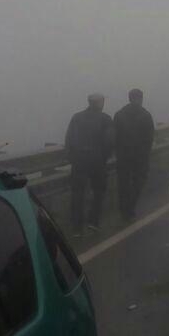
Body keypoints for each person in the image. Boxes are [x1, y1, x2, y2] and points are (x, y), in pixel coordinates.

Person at [65, 93, 113, 236]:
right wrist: (104, 157)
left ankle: (76, 227)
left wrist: (73, 158)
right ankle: (93, 221)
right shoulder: (105, 119)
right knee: (98, 191)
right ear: (99, 103)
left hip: (79, 160)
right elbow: (110, 141)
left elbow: (69, 139)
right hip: (97, 161)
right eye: (102, 101)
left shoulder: (77, 117)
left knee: (78, 193)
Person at [113, 88, 156, 220]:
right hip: (140, 156)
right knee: (138, 182)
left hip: (123, 155)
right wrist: (146, 152)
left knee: (123, 183)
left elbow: (115, 136)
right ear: (139, 99)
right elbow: (150, 137)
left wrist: (117, 151)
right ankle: (130, 209)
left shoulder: (119, 114)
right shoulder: (145, 115)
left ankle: (123, 211)